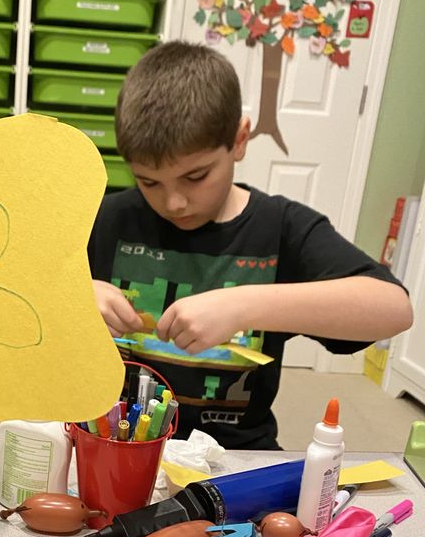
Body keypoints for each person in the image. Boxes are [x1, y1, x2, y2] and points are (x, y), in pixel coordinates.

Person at [88, 41, 413, 449]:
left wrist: (242, 305)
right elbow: (9, 298)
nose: (173, 202)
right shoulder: (108, 218)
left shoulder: (280, 227)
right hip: (112, 442)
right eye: (149, 181)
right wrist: (73, 295)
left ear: (240, 139)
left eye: (196, 176)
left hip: (236, 452)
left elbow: (393, 309)